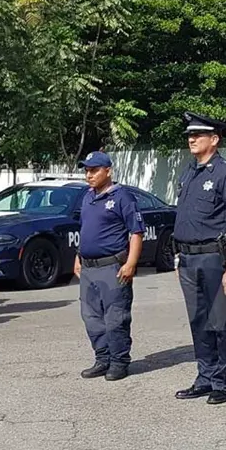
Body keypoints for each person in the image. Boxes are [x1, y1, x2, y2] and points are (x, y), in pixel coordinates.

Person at [172, 112, 226, 405]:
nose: (192, 139)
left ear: (214, 140)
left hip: (214, 258)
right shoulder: (189, 172)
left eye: (198, 135)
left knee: (220, 320)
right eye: (190, 135)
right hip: (189, 259)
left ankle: (224, 380)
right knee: (198, 320)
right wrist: (179, 258)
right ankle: (205, 376)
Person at [74, 151, 145, 381]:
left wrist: (131, 263)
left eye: (94, 170)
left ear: (108, 171)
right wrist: (78, 256)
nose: (89, 175)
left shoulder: (122, 197)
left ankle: (119, 361)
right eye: (86, 170)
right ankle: (102, 358)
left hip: (112, 266)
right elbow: (85, 230)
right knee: (91, 316)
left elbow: (136, 232)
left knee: (116, 318)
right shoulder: (87, 197)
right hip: (88, 268)